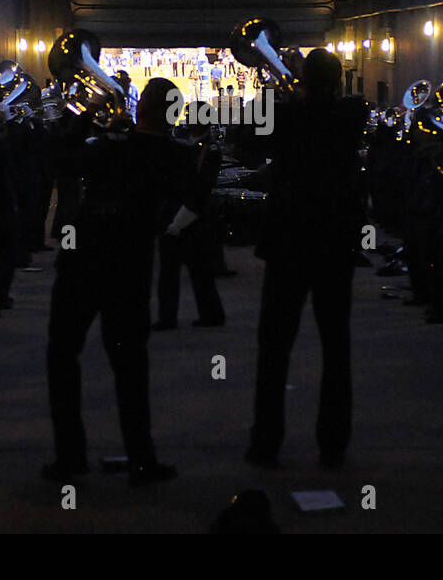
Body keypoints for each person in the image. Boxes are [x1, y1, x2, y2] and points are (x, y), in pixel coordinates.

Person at [44, 77, 191, 486]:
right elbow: (187, 192)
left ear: (141, 107)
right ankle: (142, 459)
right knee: (130, 366)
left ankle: (70, 456)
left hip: (82, 261)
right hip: (130, 267)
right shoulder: (171, 154)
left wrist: (88, 115)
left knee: (62, 354)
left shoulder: (109, 144)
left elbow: (62, 160)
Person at [239, 50, 367, 469]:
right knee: (336, 345)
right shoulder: (351, 115)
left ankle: (265, 443)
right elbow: (339, 110)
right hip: (334, 241)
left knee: (274, 346)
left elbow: (245, 138)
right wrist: (299, 87)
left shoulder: (287, 115)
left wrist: (277, 90)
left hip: (288, 242)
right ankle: (334, 444)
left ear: (303, 81)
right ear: (338, 81)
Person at [154, 119, 226, 329]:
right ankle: (182, 315)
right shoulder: (191, 144)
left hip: (191, 214)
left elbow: (202, 186)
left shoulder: (207, 149)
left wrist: (178, 221)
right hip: (185, 211)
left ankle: (201, 314)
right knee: (186, 271)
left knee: (194, 271)